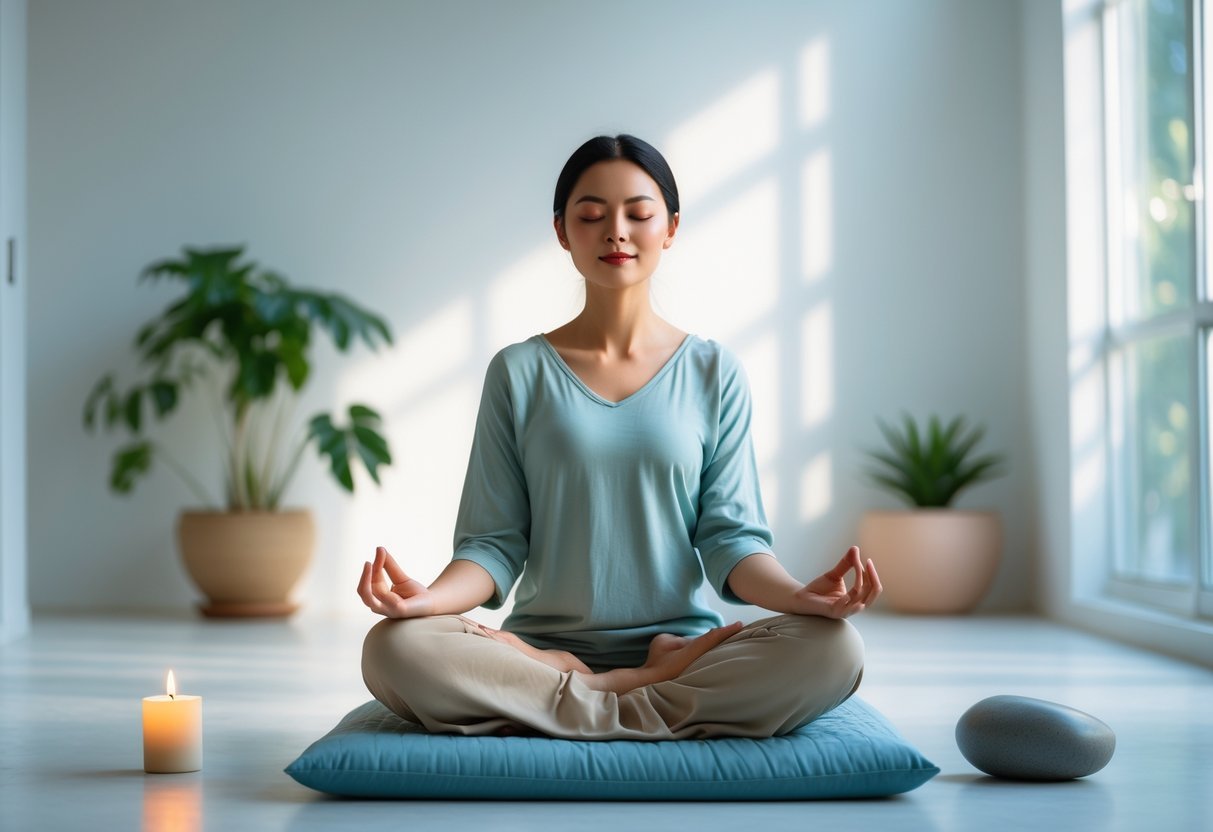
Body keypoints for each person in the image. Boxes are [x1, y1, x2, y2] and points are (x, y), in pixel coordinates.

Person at [358, 134, 882, 741]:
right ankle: (635, 696)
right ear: (562, 231)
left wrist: (797, 596)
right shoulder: (519, 371)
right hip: (534, 651)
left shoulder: (714, 372)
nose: (616, 231)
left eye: (638, 213)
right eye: (591, 215)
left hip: (687, 648)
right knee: (393, 648)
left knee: (834, 648)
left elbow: (732, 542)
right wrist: (428, 602)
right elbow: (492, 545)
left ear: (671, 227)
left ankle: (578, 700)